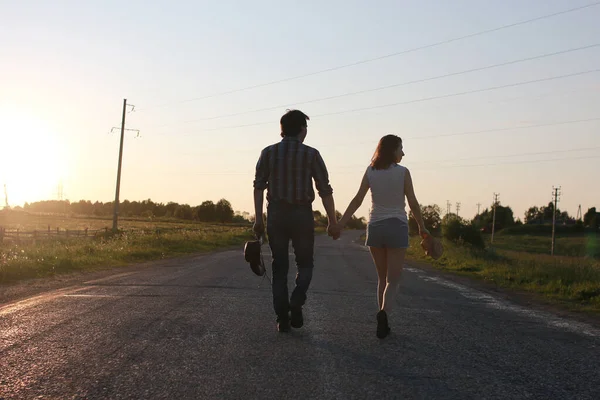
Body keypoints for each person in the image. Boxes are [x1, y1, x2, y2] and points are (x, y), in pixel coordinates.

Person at [332, 134, 429, 339]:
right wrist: (422, 226)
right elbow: (412, 201)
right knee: (393, 280)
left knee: (381, 278)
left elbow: (357, 199)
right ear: (392, 150)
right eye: (400, 148)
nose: (403, 153)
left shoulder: (370, 171)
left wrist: (341, 223)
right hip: (397, 226)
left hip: (375, 226)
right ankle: (384, 314)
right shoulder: (403, 172)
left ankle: (383, 320)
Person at [252, 109, 339, 333]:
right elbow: (325, 190)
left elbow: (259, 186)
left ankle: (282, 318)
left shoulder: (268, 153)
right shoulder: (311, 154)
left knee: (279, 267)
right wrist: (332, 220)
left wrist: (258, 218)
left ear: (281, 130)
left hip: (276, 214)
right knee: (305, 264)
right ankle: (297, 300)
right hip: (302, 214)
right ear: (302, 129)